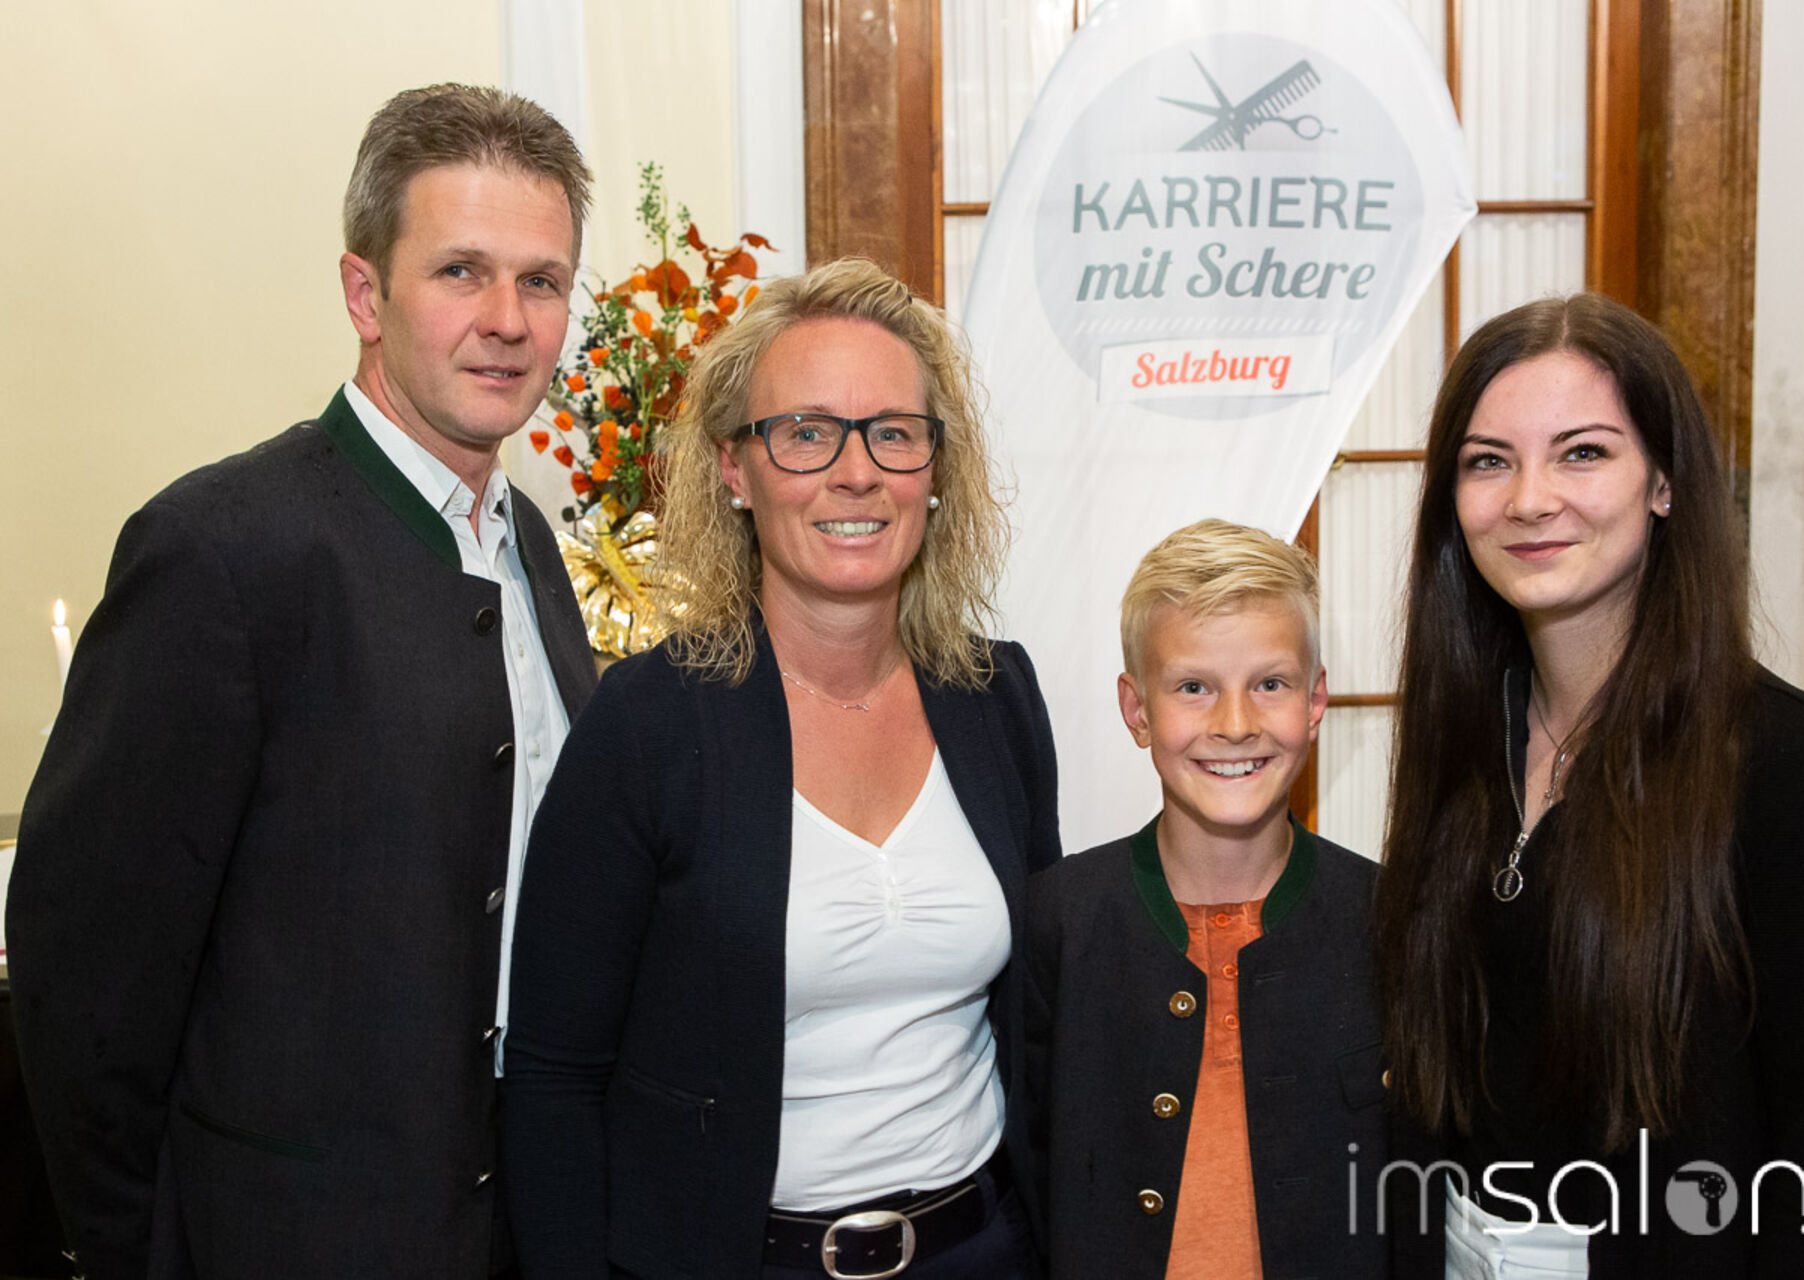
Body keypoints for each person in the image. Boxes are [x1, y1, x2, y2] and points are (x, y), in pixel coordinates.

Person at [8, 84, 599, 1279]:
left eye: (541, 281)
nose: (507, 320)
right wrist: (143, 1250)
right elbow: (86, 972)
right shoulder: (221, 551)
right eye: (461, 271)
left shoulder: (529, 545)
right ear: (363, 294)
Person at [501, 257, 1060, 1279]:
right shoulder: (647, 726)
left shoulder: (997, 698)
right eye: (806, 432)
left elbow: (1040, 1020)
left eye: (894, 432)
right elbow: (552, 1077)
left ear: (935, 468)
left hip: (985, 1250)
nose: (858, 472)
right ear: (734, 468)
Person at [1375, 293, 1804, 1277]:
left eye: (1582, 452)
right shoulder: (1467, 736)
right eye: (1488, 460)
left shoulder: (1787, 769)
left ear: (1663, 481)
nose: (1530, 498)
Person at [1025, 518, 1390, 1280]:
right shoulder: (1059, 920)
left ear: (1315, 700)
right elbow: (1023, 1182)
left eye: (1270, 684)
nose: (1235, 725)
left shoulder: (1389, 921)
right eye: (1193, 688)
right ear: (1137, 711)